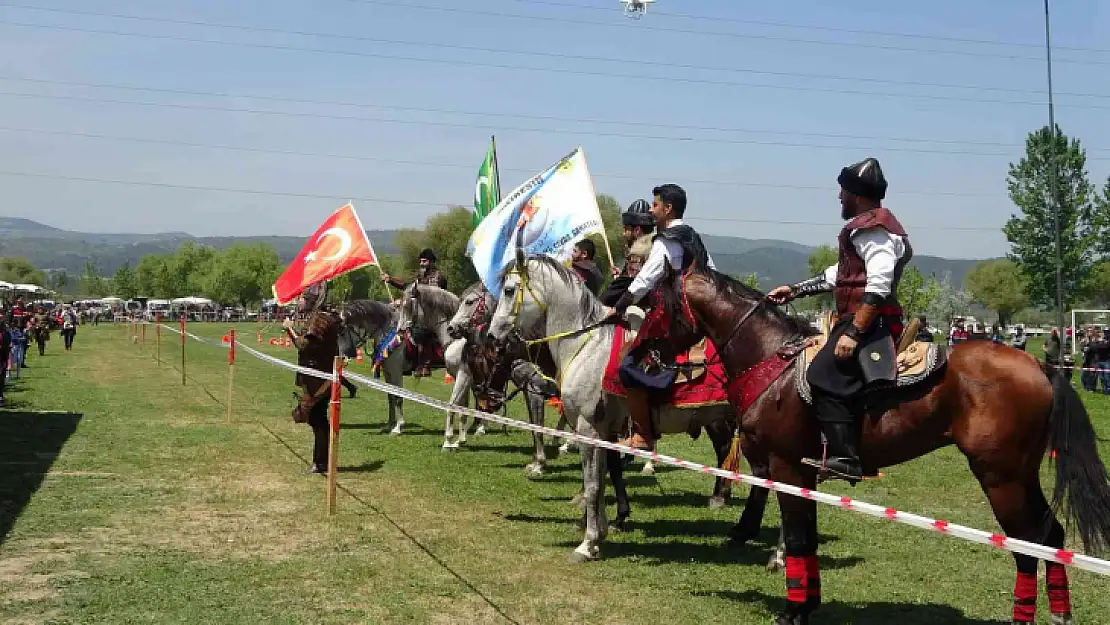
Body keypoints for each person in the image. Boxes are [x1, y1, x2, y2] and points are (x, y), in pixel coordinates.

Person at [767, 157, 912, 483]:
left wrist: (855, 331)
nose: (839, 198)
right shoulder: (865, 228)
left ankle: (845, 456)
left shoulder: (873, 230)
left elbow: (878, 284)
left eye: (843, 191)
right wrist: (794, 290)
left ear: (857, 195)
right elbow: (840, 275)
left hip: (869, 320)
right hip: (861, 317)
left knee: (823, 372)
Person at [601, 183, 716, 451]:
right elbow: (712, 272)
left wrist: (617, 308)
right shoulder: (694, 237)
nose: (651, 211)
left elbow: (644, 281)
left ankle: (643, 434)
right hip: (696, 318)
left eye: (655, 206)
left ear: (668, 208)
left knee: (628, 366)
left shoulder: (666, 241)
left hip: (672, 318)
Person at [600, 199, 656, 306]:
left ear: (637, 230)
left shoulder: (638, 254)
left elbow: (630, 286)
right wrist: (621, 274)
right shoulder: (656, 248)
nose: (623, 234)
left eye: (626, 229)